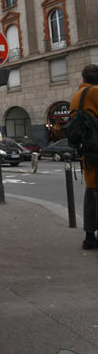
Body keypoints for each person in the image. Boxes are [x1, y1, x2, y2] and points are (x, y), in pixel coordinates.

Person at [70, 64, 98, 249]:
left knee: (91, 194)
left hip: (87, 155)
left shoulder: (75, 97)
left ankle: (89, 237)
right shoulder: (96, 92)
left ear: (82, 79)